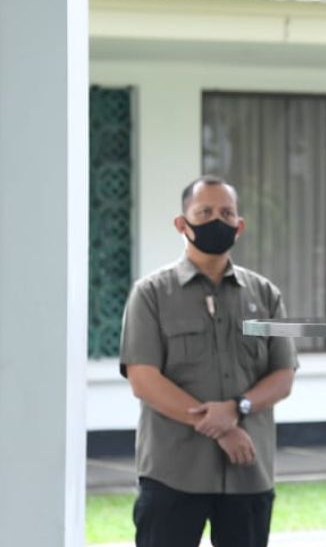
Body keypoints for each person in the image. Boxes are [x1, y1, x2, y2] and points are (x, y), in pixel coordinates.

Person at [120, 176, 298, 547]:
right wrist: (224, 427)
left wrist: (238, 408)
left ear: (239, 225)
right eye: (204, 212)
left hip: (248, 474)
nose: (216, 220)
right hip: (172, 473)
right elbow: (144, 379)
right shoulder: (151, 294)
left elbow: (282, 375)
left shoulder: (265, 294)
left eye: (226, 213)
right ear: (181, 224)